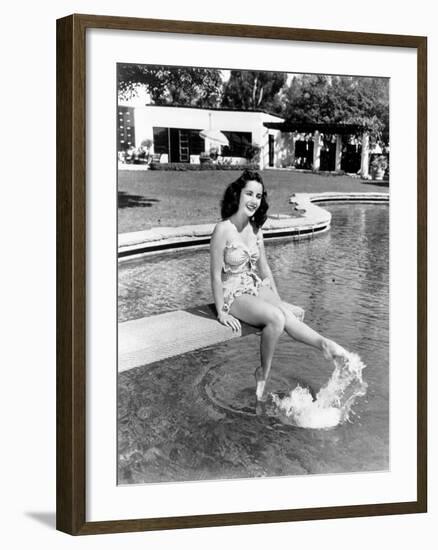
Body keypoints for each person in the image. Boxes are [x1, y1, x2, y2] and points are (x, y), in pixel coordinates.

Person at [210, 170, 347, 403]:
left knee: (284, 314)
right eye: (249, 194)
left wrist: (279, 300)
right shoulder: (223, 229)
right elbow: (214, 274)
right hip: (233, 293)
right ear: (238, 194)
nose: (254, 200)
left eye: (259, 196)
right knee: (276, 319)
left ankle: (324, 344)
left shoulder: (256, 230)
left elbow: (265, 270)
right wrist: (222, 312)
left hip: (253, 285)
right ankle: (263, 371)